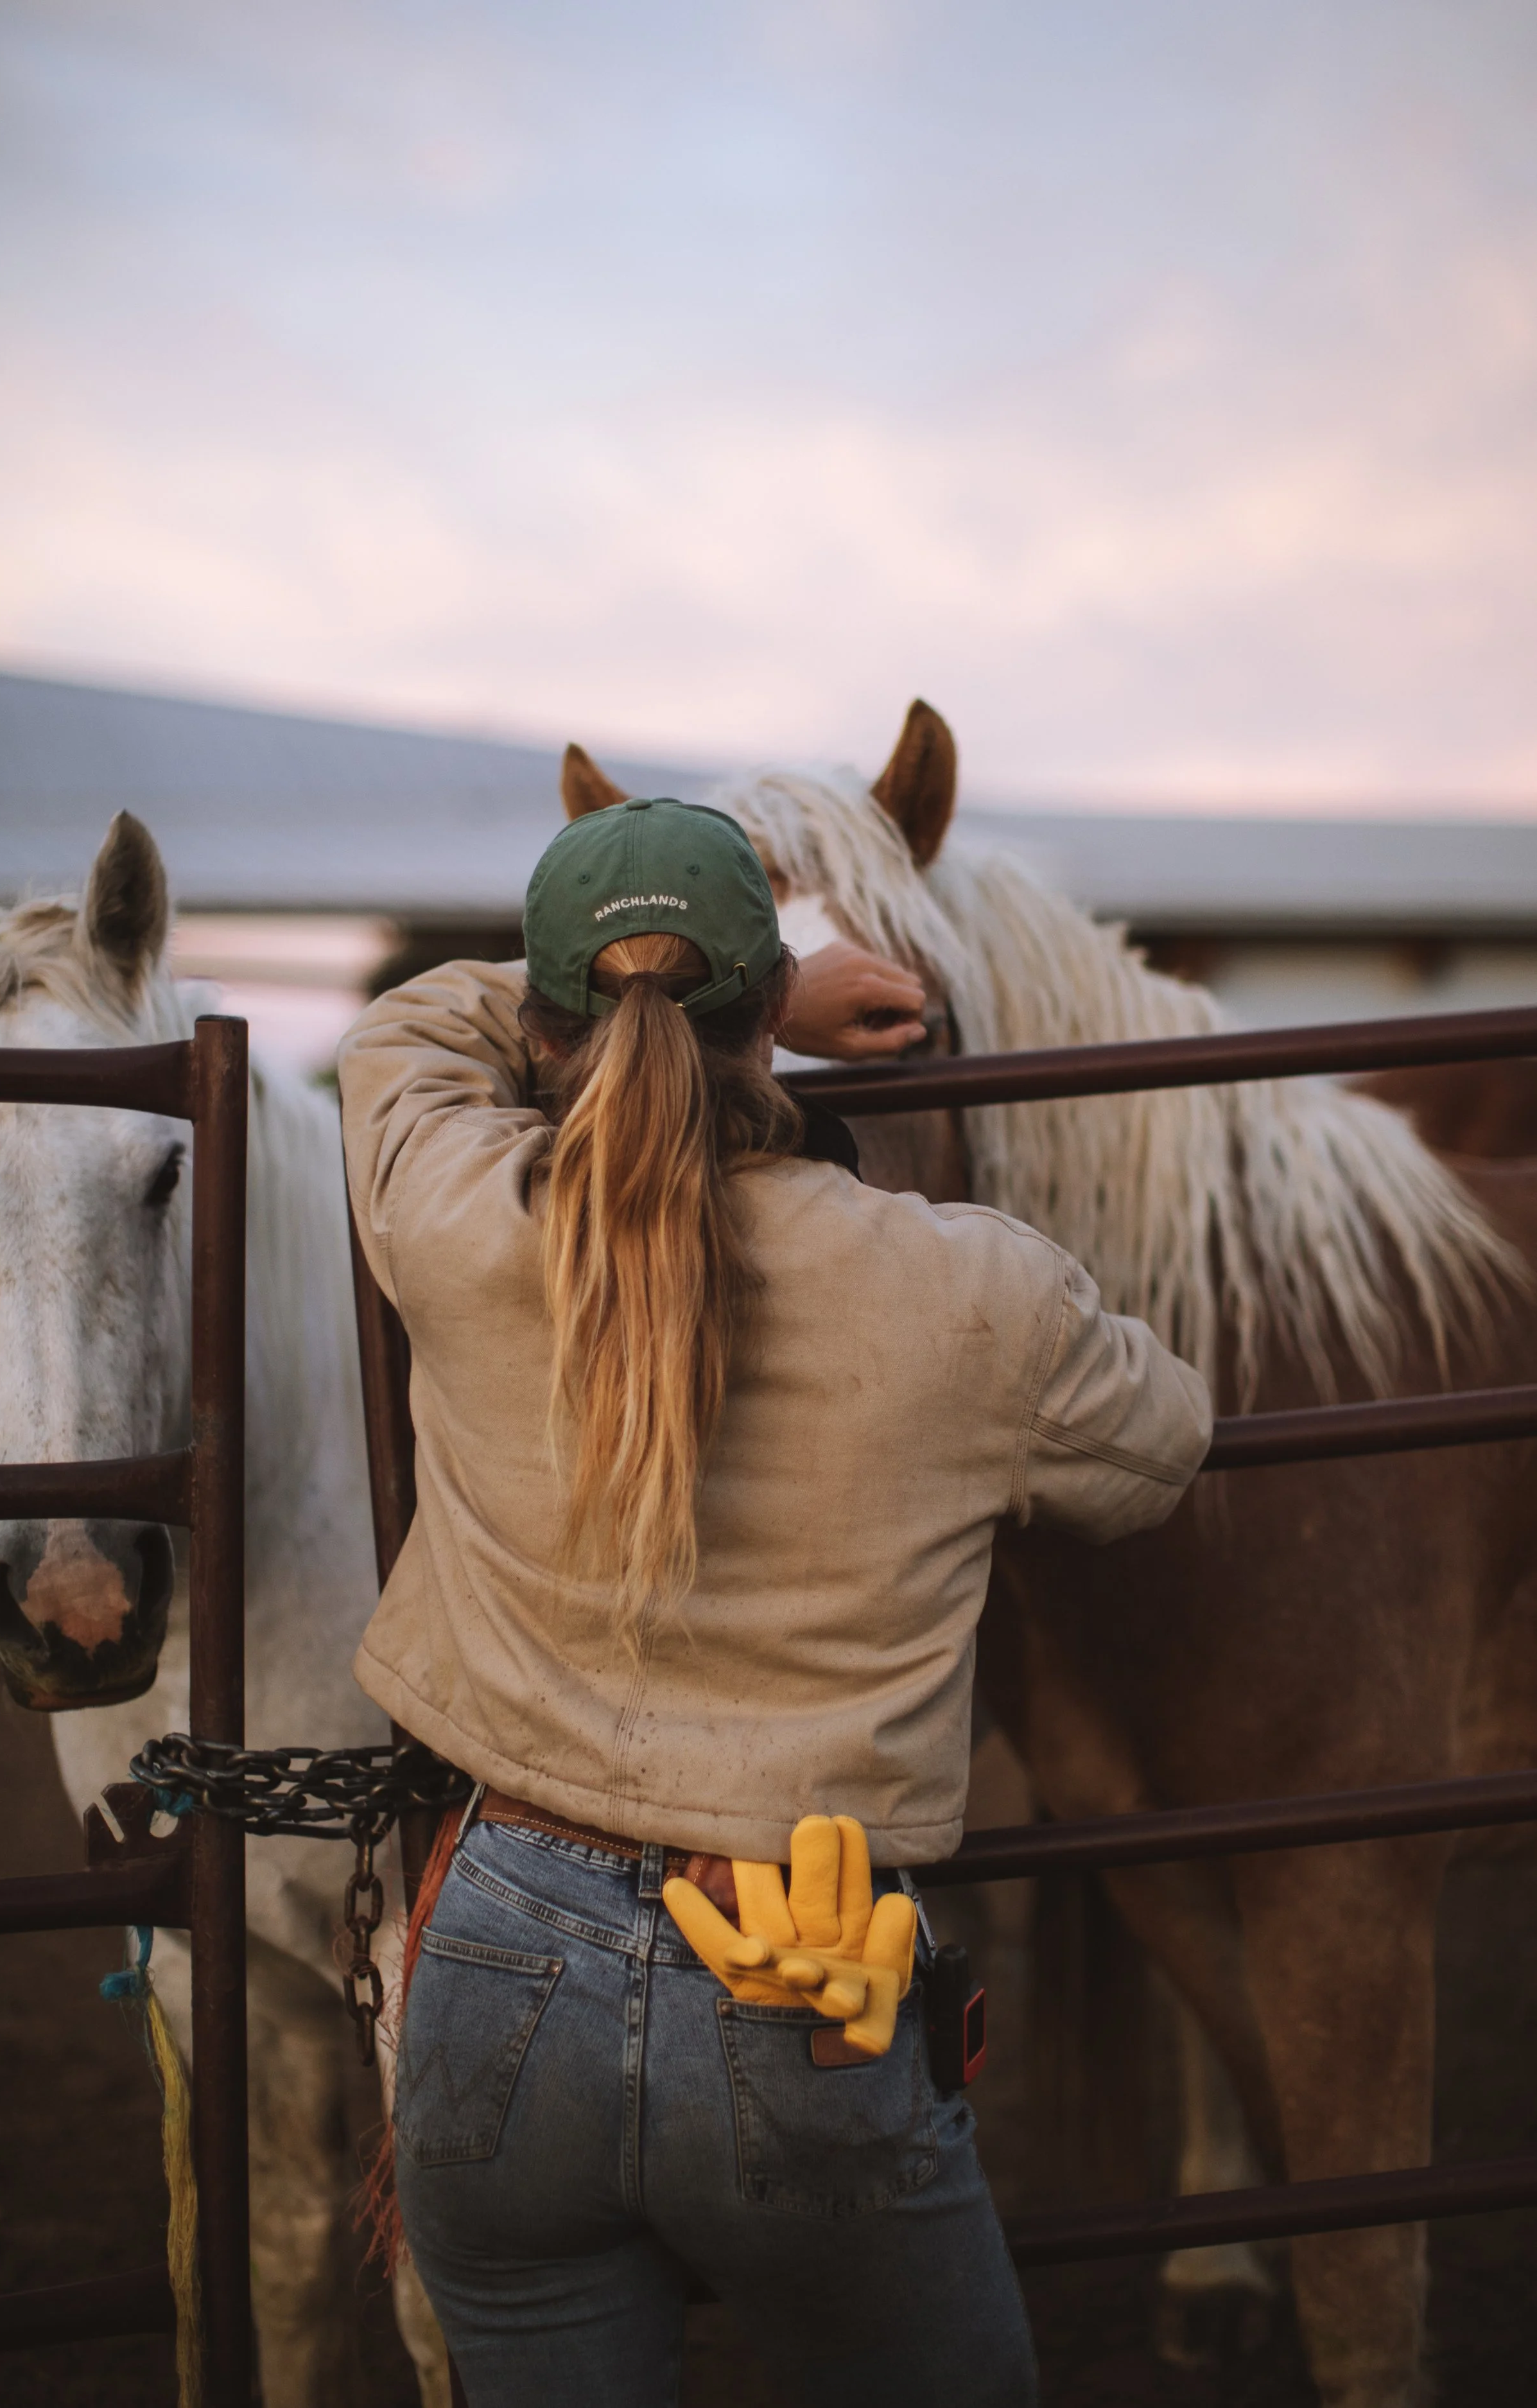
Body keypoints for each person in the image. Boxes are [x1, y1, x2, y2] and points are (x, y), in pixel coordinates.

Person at [340, 795, 1212, 2408]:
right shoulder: (971, 1292)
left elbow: (408, 1024)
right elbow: (1161, 1449)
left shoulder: (452, 1216)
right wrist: (769, 997)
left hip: (488, 1961)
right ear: (761, 1022)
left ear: (546, 1024)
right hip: (799, 1967)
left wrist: (664, 995)